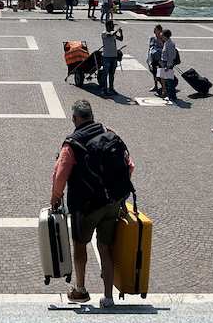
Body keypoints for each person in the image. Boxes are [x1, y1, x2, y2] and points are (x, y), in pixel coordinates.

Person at [50, 100, 134, 309]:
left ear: (75, 118)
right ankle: (108, 297)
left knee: (80, 245)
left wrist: (56, 196)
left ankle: (80, 289)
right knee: (105, 247)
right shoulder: (110, 133)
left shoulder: (72, 144)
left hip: (86, 205)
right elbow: (129, 165)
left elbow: (60, 175)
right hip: (112, 202)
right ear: (92, 116)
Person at [98, 20, 123, 95]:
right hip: (106, 57)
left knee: (112, 74)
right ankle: (105, 89)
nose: (113, 27)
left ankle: (111, 88)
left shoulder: (113, 34)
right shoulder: (104, 33)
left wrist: (121, 33)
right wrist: (116, 31)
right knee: (105, 74)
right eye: (112, 25)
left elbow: (121, 39)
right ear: (108, 26)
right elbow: (110, 35)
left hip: (114, 56)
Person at [158, 28, 178, 100]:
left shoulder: (169, 44)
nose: (161, 37)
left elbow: (171, 56)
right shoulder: (167, 42)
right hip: (164, 63)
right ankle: (170, 95)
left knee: (170, 82)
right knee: (167, 80)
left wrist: (168, 66)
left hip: (167, 64)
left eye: (162, 35)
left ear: (165, 36)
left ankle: (172, 96)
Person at [146, 24, 163, 95]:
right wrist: (148, 57)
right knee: (154, 72)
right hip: (153, 58)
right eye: (154, 29)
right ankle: (155, 86)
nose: (154, 30)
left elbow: (164, 48)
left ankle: (163, 86)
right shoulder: (152, 38)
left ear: (160, 30)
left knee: (161, 73)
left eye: (156, 29)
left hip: (160, 58)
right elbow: (149, 48)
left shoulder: (162, 38)